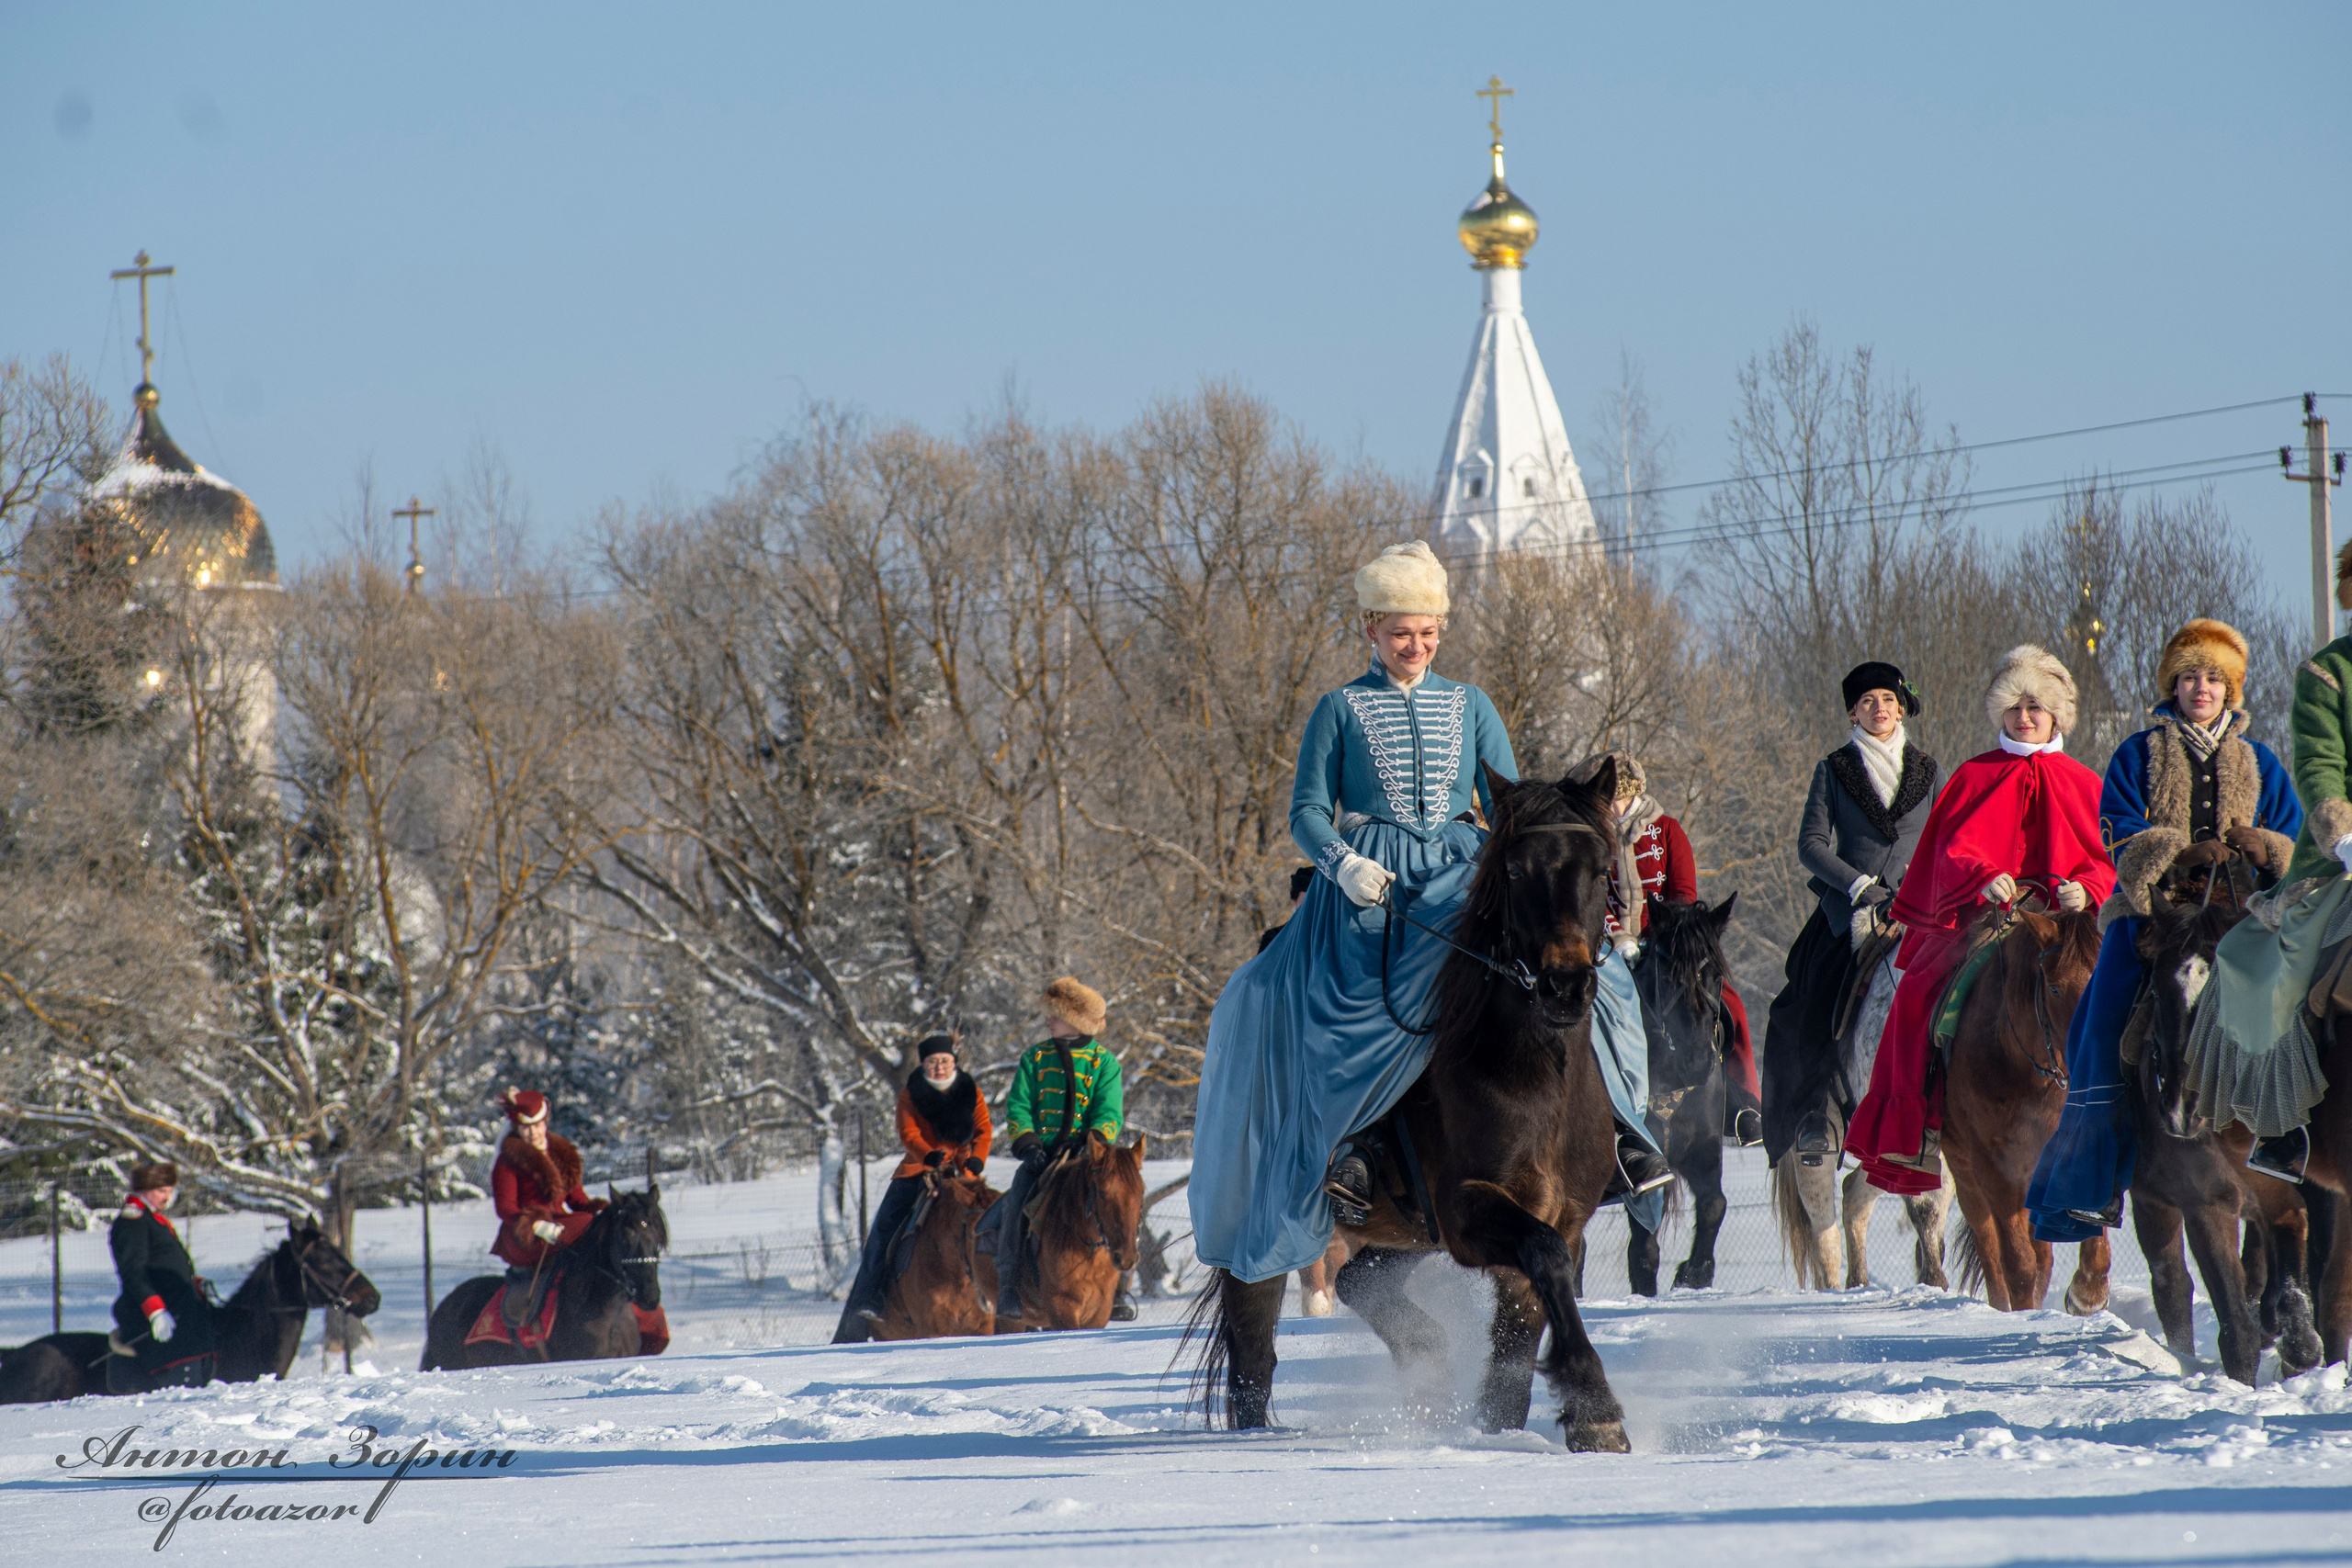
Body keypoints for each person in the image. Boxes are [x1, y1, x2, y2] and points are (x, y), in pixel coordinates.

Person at [1190, 540, 1670, 1288]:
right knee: (1353, 1002)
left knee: (1595, 976)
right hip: (1368, 880)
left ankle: (1624, 1137)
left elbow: (1508, 799)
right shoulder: (1339, 709)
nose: (1416, 646)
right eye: (1400, 633)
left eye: (1428, 632)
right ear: (1371, 630)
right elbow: (1307, 810)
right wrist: (1342, 863)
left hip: (1459, 869)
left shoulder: (1471, 702)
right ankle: (1356, 1148)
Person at [2022, 620, 2300, 1237]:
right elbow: (2114, 823)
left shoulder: (2260, 759)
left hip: (2242, 917)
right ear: (2172, 686)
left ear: (2232, 688)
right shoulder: (2139, 752)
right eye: (2190, 677)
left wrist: (2266, 847)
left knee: (2303, 1007)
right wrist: (2174, 852)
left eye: (2213, 678)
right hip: (2155, 914)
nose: (2201, 688)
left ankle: (2292, 1140)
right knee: (2101, 1023)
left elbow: (2293, 830)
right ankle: (2092, 1181)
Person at [1847, 645, 2116, 1195]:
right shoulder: (1974, 776)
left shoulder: (2086, 782)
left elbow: (2106, 855)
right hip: (1992, 918)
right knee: (1917, 992)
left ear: (2056, 716)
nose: (2024, 718)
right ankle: (1917, 1128)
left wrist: (2086, 887)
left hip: (2070, 926)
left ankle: (2139, 1110)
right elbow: (1949, 850)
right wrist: (1982, 875)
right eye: (2014, 708)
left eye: (2035, 708)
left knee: (2127, 991)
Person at [2190, 546, 2352, 1183]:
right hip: (2337, 861)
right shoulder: (2328, 673)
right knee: (2265, 966)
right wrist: (2343, 835)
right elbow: (2318, 765)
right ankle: (2282, 1128)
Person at [1760, 663, 1945, 1165]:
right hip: (1850, 909)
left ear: (1901, 706)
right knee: (1811, 997)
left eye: (1887, 698)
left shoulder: (1928, 769)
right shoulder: (1833, 768)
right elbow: (1811, 845)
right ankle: (1816, 1115)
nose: (1879, 708)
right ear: (1852, 712)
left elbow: (1945, 839)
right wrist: (1857, 884)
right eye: (1867, 702)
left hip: (1918, 911)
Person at [1592, 750, 1762, 1142]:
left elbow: (1683, 891)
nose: (1614, 806)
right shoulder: (1593, 836)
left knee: (1727, 1001)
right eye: (1607, 799)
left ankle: (1743, 1104)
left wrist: (1661, 937)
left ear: (1634, 793)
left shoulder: (1667, 829)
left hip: (1667, 941)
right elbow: (1594, 896)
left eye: (1620, 797)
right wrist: (1618, 936)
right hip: (1608, 945)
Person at [833, 1032, 992, 1341]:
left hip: (964, 1172)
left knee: (994, 1220)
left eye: (945, 1061)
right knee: (882, 1231)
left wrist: (976, 1160)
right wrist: (928, 1155)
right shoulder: (911, 1093)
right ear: (923, 1065)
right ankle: (869, 1301)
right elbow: (908, 1132)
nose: (940, 1068)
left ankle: (1009, 1293)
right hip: (919, 1169)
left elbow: (984, 1128)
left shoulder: (971, 1090)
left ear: (954, 1062)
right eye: (933, 1063)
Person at [994, 977, 1128, 1325]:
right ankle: (1008, 1284)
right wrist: (1028, 1143)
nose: (1049, 1021)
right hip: (1044, 1157)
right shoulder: (1035, 1057)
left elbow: (1109, 1112)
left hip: (1088, 1157)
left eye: (1055, 1015)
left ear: (1076, 1019)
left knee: (1122, 1201)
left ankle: (1122, 1286)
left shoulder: (1105, 1063)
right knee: (1015, 1202)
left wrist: (1094, 1141)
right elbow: (1019, 1106)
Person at [491, 1088, 606, 1324]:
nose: (533, 1133)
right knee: (586, 1225)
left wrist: (603, 1212)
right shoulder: (507, 1162)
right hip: (524, 1236)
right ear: (517, 1128)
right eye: (526, 1127)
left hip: (559, 1227)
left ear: (545, 1123)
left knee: (596, 1225)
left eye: (537, 1126)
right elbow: (505, 1208)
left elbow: (577, 1200)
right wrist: (534, 1226)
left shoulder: (560, 1154)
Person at [109, 1159, 217, 1385]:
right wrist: (155, 1310)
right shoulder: (133, 1222)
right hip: (156, 1311)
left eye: (169, 1190)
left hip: (180, 1306)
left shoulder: (153, 1219)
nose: (167, 1197)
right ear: (144, 1189)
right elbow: (133, 1272)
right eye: (161, 1191)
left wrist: (191, 1282)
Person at [1259, 865, 1317, 953]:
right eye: (1305, 900)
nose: (1311, 906)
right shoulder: (1275, 938)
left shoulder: (1335, 938)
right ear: (1295, 900)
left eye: (1317, 900)